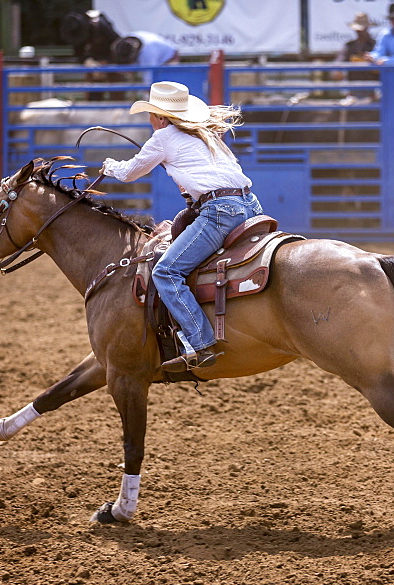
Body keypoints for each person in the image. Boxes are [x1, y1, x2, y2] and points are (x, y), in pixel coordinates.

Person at [101, 81, 262, 372]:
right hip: (250, 206)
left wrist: (109, 165)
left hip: (220, 212)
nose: (150, 121)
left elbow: (129, 173)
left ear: (160, 117)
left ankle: (198, 343)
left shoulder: (163, 138)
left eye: (151, 114)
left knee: (166, 272)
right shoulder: (207, 135)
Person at [112, 31, 179, 67]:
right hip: (153, 52)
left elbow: (150, 77)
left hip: (169, 57)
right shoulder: (126, 41)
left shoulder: (148, 53)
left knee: (164, 86)